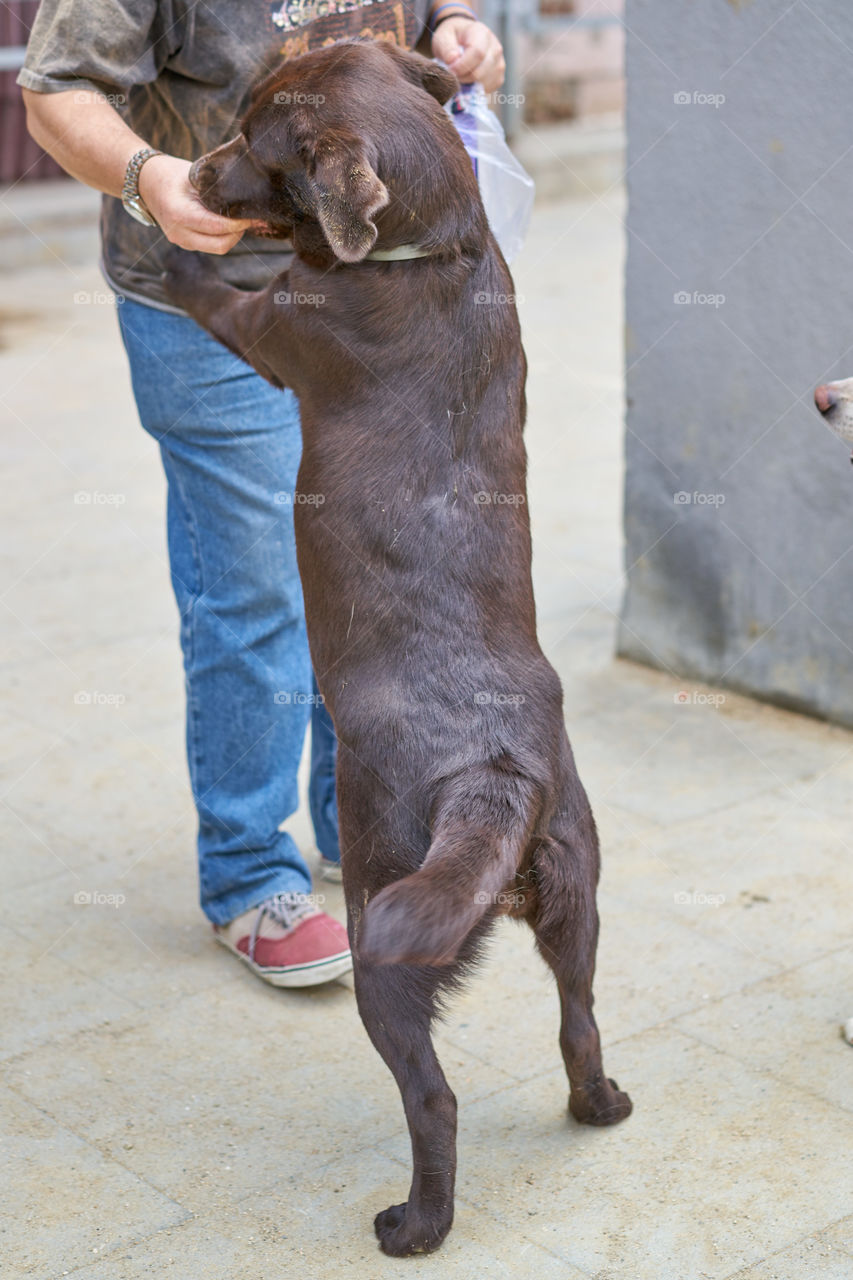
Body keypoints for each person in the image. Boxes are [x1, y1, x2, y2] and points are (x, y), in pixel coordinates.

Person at [19, 0, 505, 988]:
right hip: (211, 295)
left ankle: (352, 823)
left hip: (373, 290)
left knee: (369, 566)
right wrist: (149, 178)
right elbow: (54, 90)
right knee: (261, 589)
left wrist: (456, 24)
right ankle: (249, 874)